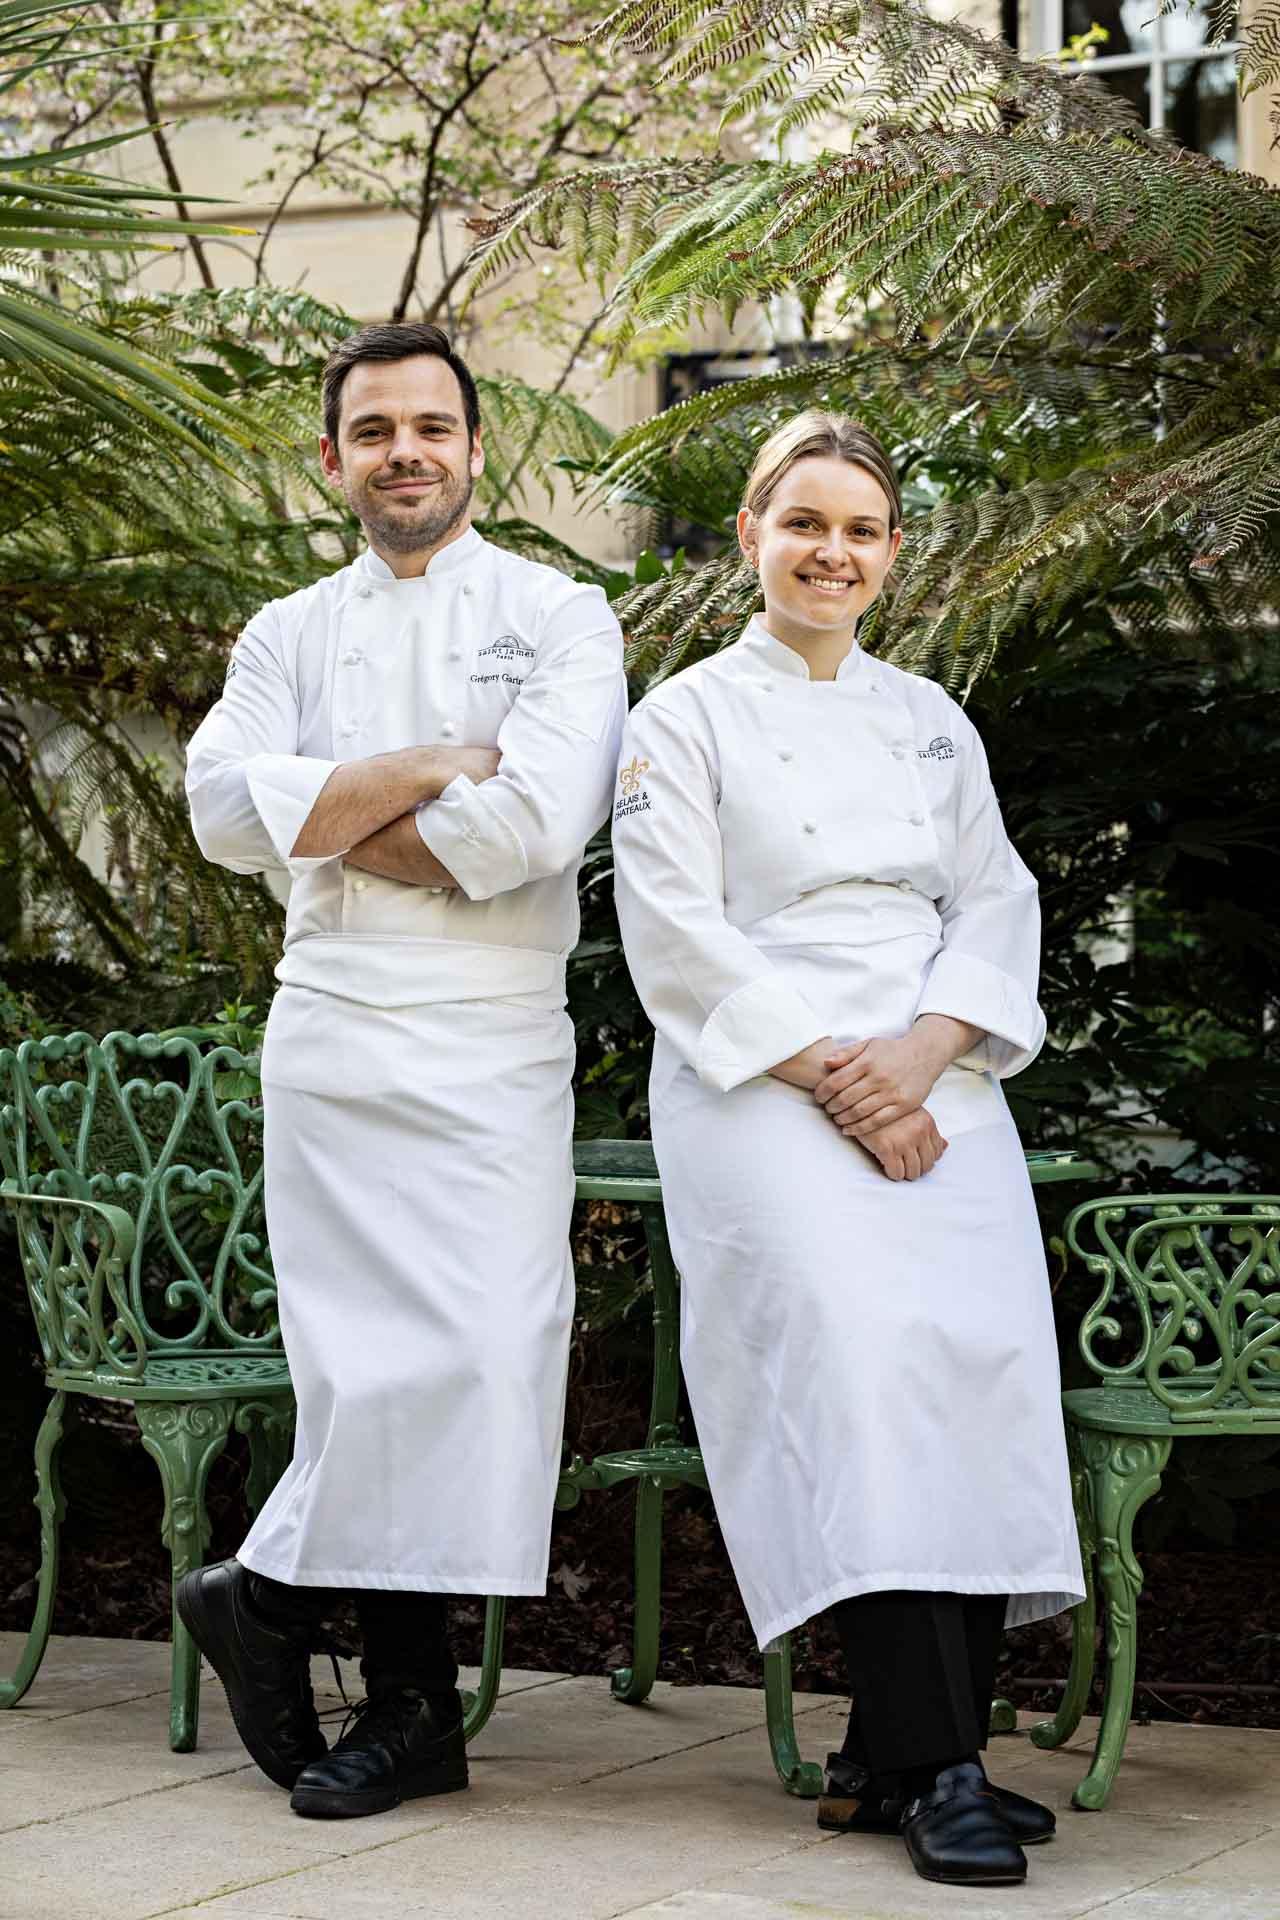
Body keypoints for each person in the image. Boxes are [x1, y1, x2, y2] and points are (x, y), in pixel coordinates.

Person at [611, 411, 1084, 1888]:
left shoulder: (934, 717)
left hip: (937, 1070)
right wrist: (836, 1074)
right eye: (803, 523)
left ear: (890, 555)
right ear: (749, 537)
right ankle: (938, 1761)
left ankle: (896, 1760)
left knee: (971, 1370)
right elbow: (673, 933)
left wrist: (925, 1057)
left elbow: (996, 906)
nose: (833, 551)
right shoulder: (681, 718)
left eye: (862, 530)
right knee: (860, 1380)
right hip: (760, 1076)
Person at [180, 322, 626, 1821]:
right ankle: (414, 1714)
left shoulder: (565, 614)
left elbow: (536, 835)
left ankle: (268, 1595)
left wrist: (320, 806)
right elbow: (218, 808)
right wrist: (442, 760)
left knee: (489, 1354)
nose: (405, 453)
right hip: (336, 1025)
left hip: (497, 1030)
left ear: (476, 448)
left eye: (431, 426)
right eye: (374, 432)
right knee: (362, 1367)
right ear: (334, 460)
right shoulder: (285, 633)